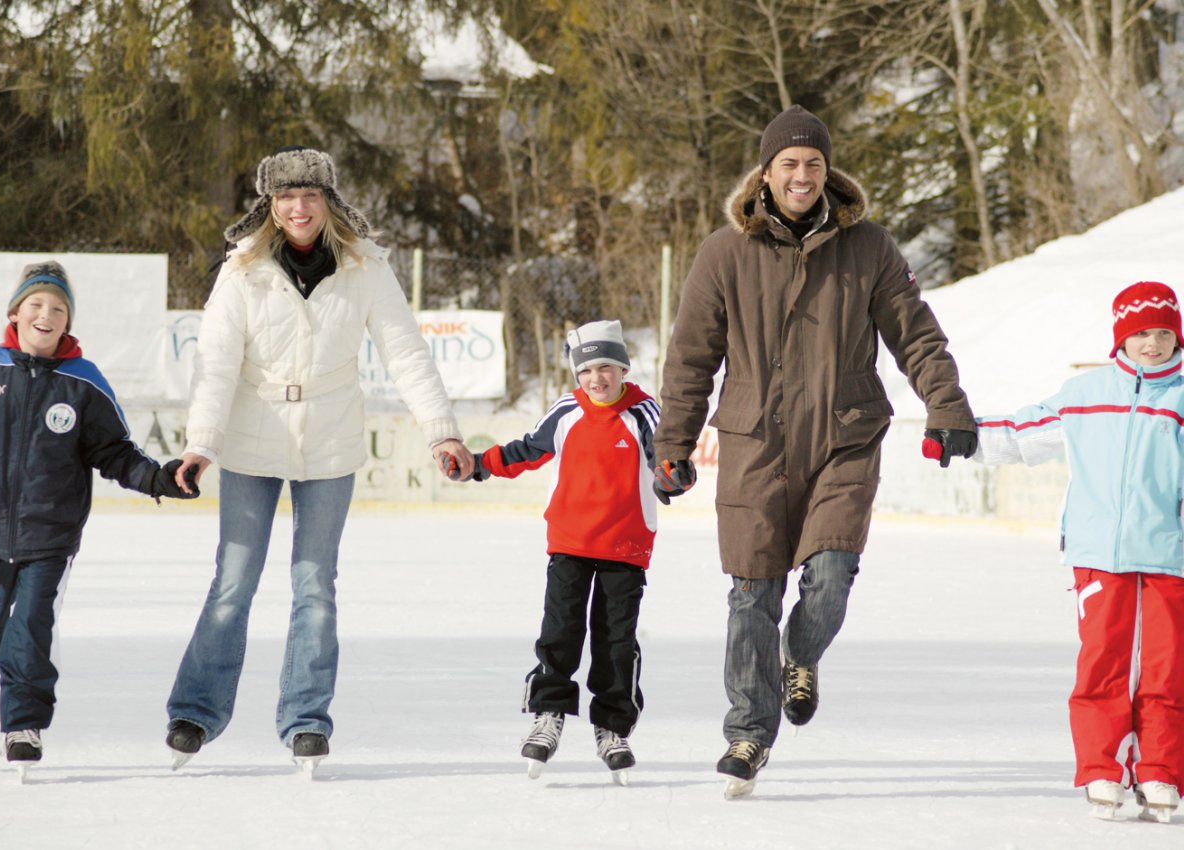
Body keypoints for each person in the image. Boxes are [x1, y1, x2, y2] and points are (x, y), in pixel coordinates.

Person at [652, 105, 977, 796]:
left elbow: (916, 335)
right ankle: (747, 732)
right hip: (755, 443)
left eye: (814, 164)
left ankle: (801, 654)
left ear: (829, 173)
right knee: (751, 594)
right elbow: (689, 358)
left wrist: (945, 404)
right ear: (765, 174)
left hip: (845, 436)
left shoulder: (870, 249)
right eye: (789, 164)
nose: (802, 176)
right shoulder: (723, 253)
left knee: (829, 578)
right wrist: (672, 444)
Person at [164, 146, 474, 772]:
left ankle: (306, 719)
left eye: (309, 195)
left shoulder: (365, 266)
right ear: (271, 208)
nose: (298, 207)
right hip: (254, 434)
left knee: (315, 586)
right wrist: (202, 443)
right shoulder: (242, 269)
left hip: (329, 440)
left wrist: (441, 432)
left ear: (327, 202)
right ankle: (195, 711)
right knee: (234, 581)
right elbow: (217, 363)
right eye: (286, 198)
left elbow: (405, 353)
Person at [973, 281, 1184, 823]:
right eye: (1141, 333)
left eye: (1163, 332)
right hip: (1097, 553)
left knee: (1167, 670)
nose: (1153, 344)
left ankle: (1160, 771)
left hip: (1171, 556)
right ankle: (1101, 769)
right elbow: (1023, 433)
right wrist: (960, 437)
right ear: (1122, 337)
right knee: (1102, 666)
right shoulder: (1086, 392)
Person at [0, 262, 197, 776]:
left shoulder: (84, 383)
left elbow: (116, 452)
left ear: (67, 323)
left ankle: (22, 725)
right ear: (16, 312)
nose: (46, 314)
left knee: (31, 630)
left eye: (57, 309)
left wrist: (159, 479)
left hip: (49, 537)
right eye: (36, 304)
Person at [450, 320, 660, 782]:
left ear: (623, 368)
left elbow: (664, 457)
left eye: (606, 367)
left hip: (626, 546)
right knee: (561, 630)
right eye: (587, 370)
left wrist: (673, 475)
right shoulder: (566, 411)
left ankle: (612, 726)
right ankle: (548, 714)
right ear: (576, 375)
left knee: (616, 641)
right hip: (570, 543)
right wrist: (479, 466)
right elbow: (527, 450)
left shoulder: (644, 412)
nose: (597, 378)